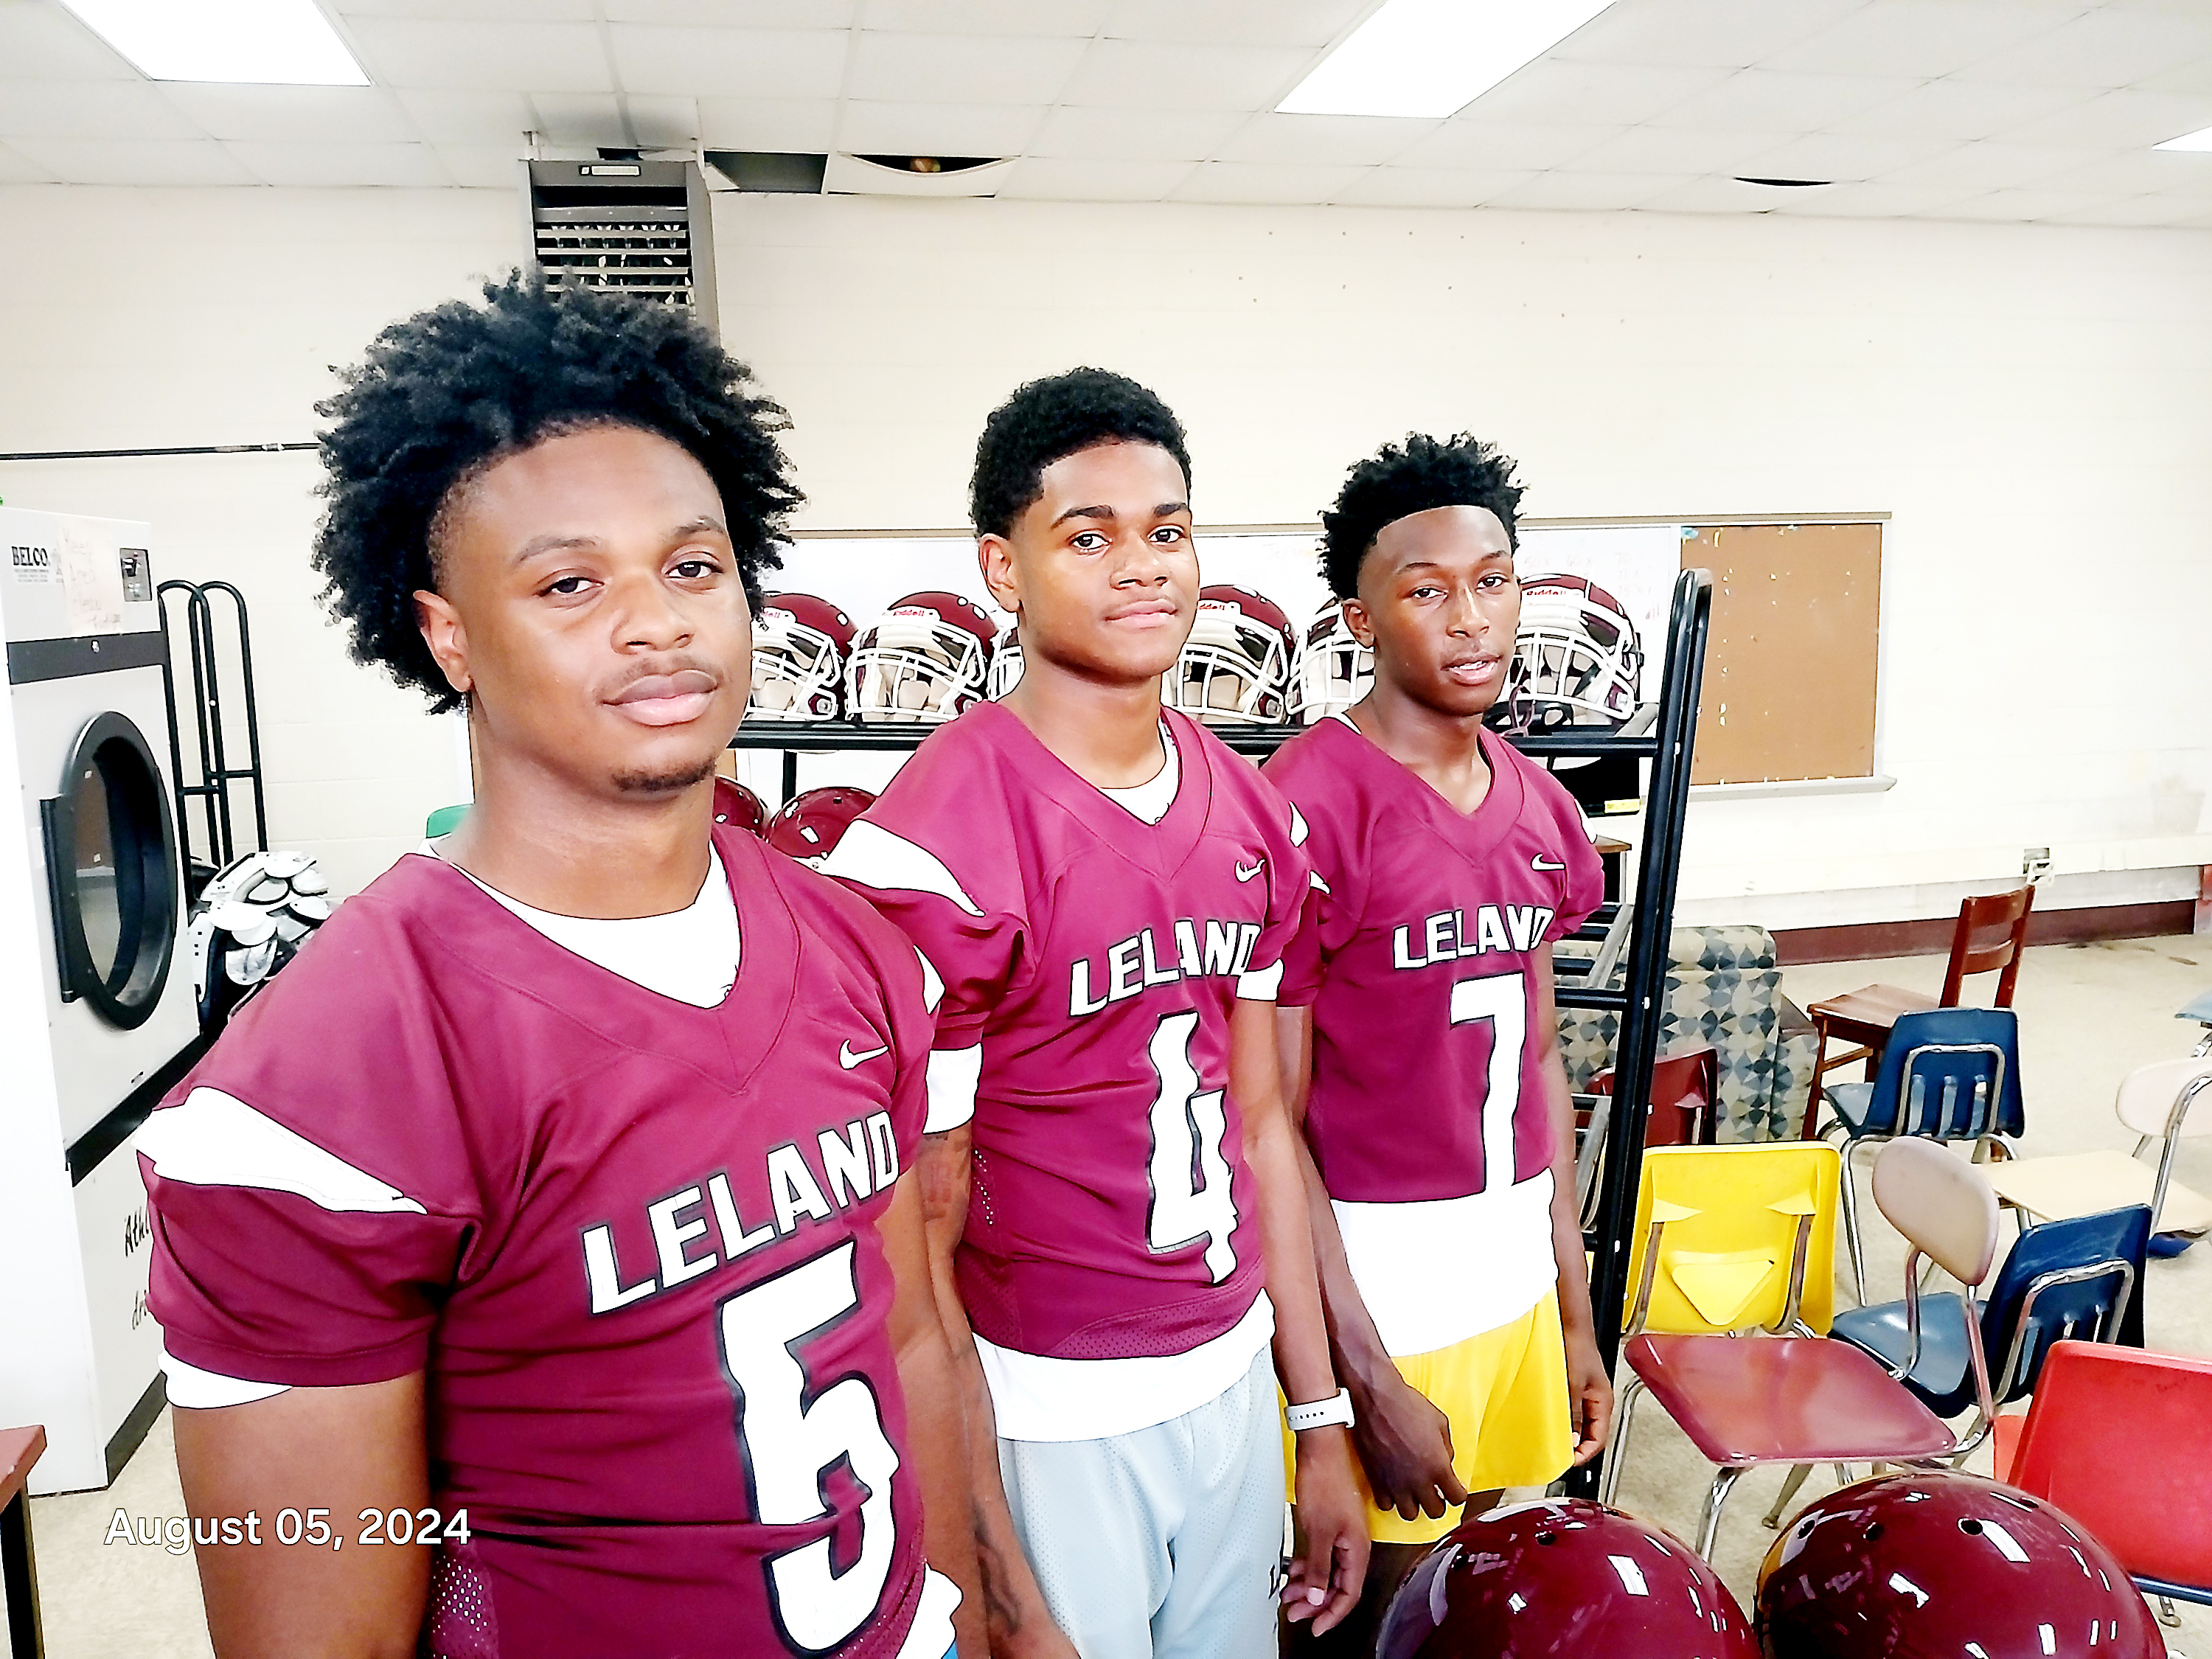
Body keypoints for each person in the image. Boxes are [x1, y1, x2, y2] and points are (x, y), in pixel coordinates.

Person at [138, 276, 981, 1659]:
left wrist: (979, 1610)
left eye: (693, 567)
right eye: (570, 583)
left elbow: (907, 1343)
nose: (657, 624)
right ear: (448, 634)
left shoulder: (855, 944)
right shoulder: (315, 1094)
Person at [818, 369, 1368, 1659]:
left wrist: (1317, 1414)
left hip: (1231, 1366)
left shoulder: (1252, 809)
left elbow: (1260, 1125)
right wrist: (990, 1570)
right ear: (1002, 569)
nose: (1142, 565)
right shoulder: (936, 845)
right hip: (1049, 1402)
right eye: (1089, 535)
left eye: (1167, 529)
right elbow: (915, 1240)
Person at [1262, 434, 1613, 1652]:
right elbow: (1269, 1125)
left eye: (1493, 580)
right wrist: (1357, 1383)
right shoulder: (1307, 804)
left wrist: (1574, 1313)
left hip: (1512, 1274)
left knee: (1486, 1603)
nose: (1471, 619)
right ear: (1361, 618)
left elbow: (1541, 1063)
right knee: (1374, 1616)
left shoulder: (1543, 806)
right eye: (1427, 590)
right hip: (1378, 1282)